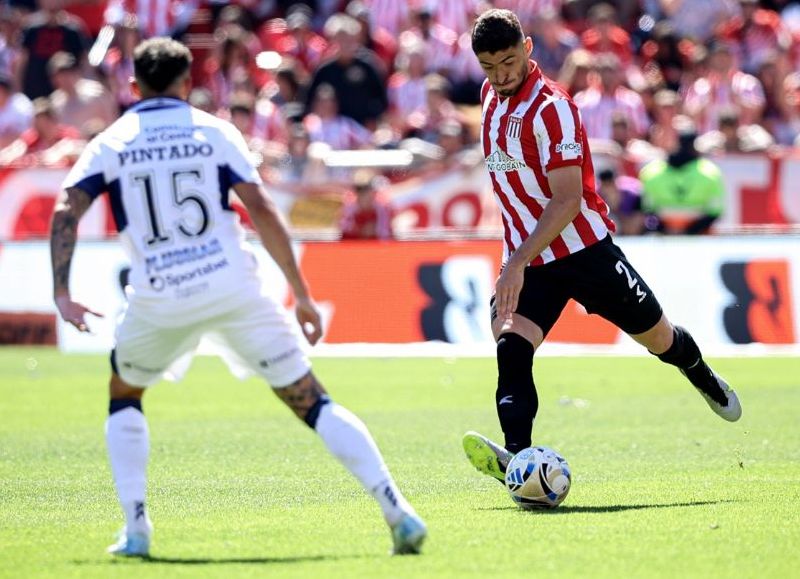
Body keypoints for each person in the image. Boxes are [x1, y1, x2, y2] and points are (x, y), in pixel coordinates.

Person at [48, 37, 426, 558]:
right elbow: (262, 210)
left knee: (125, 392)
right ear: (187, 84)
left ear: (134, 86)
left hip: (160, 295)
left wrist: (62, 292)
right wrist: (302, 294)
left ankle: (136, 529)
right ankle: (398, 511)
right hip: (231, 284)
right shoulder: (215, 131)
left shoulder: (110, 142)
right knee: (313, 400)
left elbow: (66, 209)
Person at [460, 10, 742, 487]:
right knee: (511, 344)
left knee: (660, 339)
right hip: (533, 261)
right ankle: (519, 460)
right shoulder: (490, 95)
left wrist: (515, 262)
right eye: (490, 67)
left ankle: (699, 371)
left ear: (528, 48)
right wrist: (520, 260)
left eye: (508, 62)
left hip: (585, 252)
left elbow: (567, 200)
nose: (501, 75)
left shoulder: (552, 108)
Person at [640, 116, 726, 235]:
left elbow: (714, 213)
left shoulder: (710, 173)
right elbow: (647, 212)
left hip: (698, 239)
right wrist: (668, 230)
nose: (679, 148)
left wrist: (687, 232)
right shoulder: (650, 173)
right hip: (662, 239)